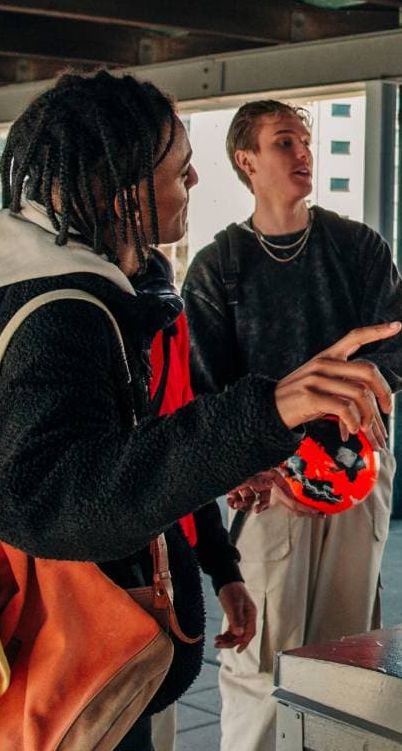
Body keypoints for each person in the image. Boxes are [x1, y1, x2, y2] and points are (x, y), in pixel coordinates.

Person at [0, 71, 397, 751]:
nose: (196, 181)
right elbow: (53, 500)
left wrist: (219, 564)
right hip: (63, 681)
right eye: (180, 170)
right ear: (122, 189)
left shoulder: (87, 291)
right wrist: (265, 413)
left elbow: (143, 447)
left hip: (90, 671)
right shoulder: (60, 313)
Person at [183, 99, 402, 751]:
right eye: (284, 142)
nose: (303, 153)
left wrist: (359, 391)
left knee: (348, 659)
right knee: (265, 662)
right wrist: (252, 463)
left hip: (354, 473)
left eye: (305, 140)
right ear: (247, 160)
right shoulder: (219, 265)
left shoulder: (356, 247)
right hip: (269, 488)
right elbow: (201, 392)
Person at [141, 276, 258, 751]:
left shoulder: (165, 305)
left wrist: (224, 570)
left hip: (162, 586)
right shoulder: (80, 304)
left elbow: (182, 453)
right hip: (93, 598)